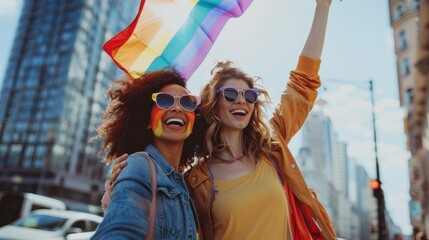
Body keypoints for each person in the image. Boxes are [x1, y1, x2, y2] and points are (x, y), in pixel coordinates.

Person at [105, 0, 337, 239]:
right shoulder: (195, 180)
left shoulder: (272, 148)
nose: (241, 101)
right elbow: (166, 223)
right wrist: (113, 199)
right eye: (230, 94)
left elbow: (302, 84)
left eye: (249, 95)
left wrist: (323, 6)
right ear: (214, 107)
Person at [92, 69, 201, 239]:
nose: (178, 108)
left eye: (187, 102)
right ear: (148, 121)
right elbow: (120, 229)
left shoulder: (186, 185)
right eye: (165, 100)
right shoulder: (138, 165)